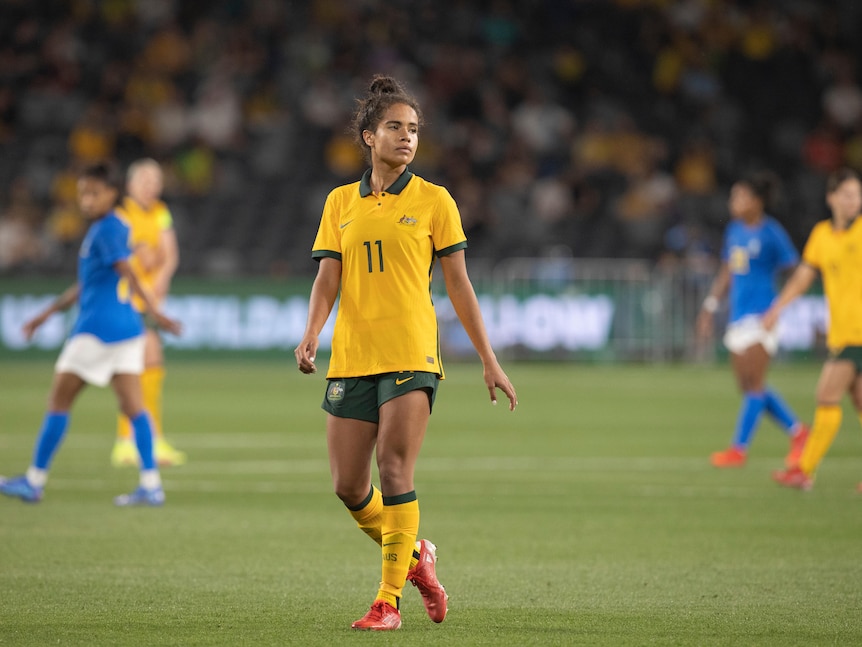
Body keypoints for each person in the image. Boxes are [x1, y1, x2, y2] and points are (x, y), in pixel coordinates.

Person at [294, 76, 518, 631]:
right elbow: (328, 279)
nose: (407, 137)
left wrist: (488, 357)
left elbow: (460, 285)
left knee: (394, 471)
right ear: (369, 136)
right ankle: (417, 557)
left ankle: (386, 602)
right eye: (395, 127)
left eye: (414, 129)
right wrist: (311, 332)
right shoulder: (339, 202)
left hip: (411, 354)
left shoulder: (435, 200)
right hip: (352, 355)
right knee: (348, 486)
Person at [0, 162, 181, 506]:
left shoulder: (107, 229)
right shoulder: (109, 228)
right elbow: (88, 284)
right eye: (83, 192)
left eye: (93, 193)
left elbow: (127, 271)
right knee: (134, 407)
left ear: (112, 194)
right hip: (128, 330)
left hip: (96, 331)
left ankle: (34, 480)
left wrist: (157, 313)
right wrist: (45, 315)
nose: (85, 200)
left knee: (58, 402)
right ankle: (151, 485)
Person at [696, 171, 809, 468]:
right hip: (738, 315)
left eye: (741, 196)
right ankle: (798, 432)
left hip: (763, 316)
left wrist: (778, 309)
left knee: (755, 385)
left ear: (757, 202)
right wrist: (710, 305)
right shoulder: (734, 231)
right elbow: (727, 272)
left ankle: (739, 449)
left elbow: (796, 271)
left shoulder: (771, 232)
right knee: (748, 387)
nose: (734, 202)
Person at [767, 168, 862, 491]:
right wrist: (777, 308)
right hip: (843, 333)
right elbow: (803, 277)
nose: (855, 201)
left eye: (858, 195)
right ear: (831, 198)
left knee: (826, 394)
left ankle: (804, 471)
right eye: (848, 195)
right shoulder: (822, 234)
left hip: (858, 334)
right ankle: (804, 472)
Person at [110, 158, 186, 468]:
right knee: (139, 366)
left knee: (149, 365)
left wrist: (158, 282)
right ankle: (129, 440)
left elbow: (169, 256)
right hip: (126, 301)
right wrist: (144, 280)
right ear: (130, 185)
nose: (150, 186)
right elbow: (123, 259)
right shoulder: (121, 216)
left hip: (149, 302)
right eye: (144, 180)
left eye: (155, 181)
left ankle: (146, 438)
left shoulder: (160, 212)